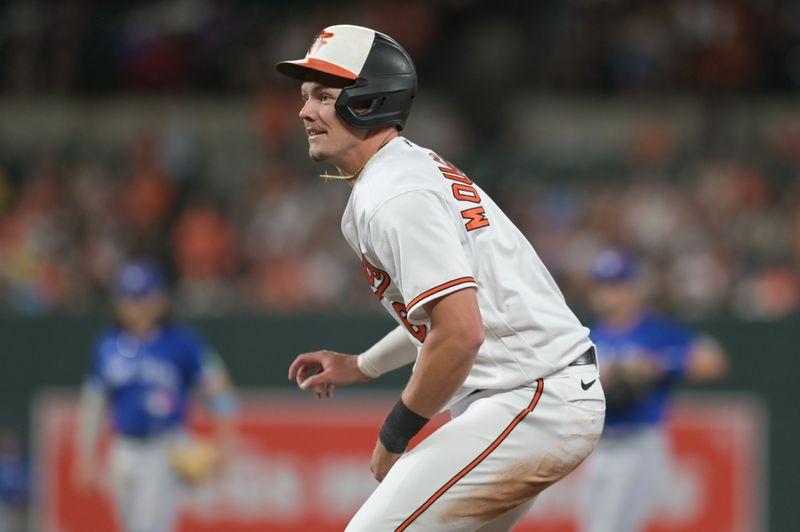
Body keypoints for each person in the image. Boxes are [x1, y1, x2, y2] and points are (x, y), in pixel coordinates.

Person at [281, 24, 606, 531]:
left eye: (323, 96)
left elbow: (459, 333)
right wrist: (363, 366)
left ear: (369, 101)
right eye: (305, 96)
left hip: (533, 398)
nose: (304, 111)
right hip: (536, 395)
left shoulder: (396, 195)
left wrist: (395, 434)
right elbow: (447, 319)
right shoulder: (403, 173)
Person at [73, 259, 237, 532]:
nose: (135, 306)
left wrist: (226, 442)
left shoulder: (184, 343)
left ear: (160, 299)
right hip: (123, 448)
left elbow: (221, 392)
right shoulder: (107, 345)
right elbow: (94, 404)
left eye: (143, 298)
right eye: (129, 298)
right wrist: (85, 455)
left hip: (165, 448)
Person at [578, 249, 728, 532]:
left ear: (633, 288)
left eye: (617, 285)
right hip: (599, 445)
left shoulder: (656, 332)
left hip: (640, 443)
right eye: (603, 286)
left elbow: (712, 361)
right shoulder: (588, 337)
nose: (609, 294)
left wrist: (659, 365)